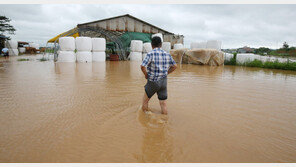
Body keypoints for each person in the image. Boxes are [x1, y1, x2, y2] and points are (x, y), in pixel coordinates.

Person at [140, 36, 177, 115]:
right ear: (161, 44)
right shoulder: (167, 54)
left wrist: (146, 74)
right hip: (163, 82)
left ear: (151, 45)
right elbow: (174, 66)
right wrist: (166, 73)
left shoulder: (150, 54)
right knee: (163, 103)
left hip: (153, 82)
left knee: (145, 101)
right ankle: (164, 120)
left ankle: (145, 118)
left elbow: (142, 66)